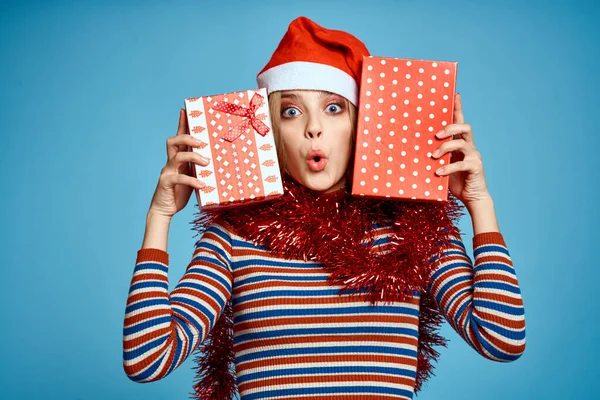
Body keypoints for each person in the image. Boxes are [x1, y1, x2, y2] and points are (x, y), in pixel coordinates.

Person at [123, 16, 526, 400]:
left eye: (333, 108)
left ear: (361, 124)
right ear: (272, 131)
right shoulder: (234, 236)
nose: (312, 128)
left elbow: (502, 339)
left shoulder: (413, 228)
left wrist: (479, 204)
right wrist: (159, 218)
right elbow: (147, 359)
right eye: (291, 111)